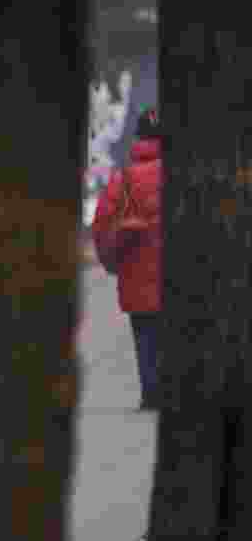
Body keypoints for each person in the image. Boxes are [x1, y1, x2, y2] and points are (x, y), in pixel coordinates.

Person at [91, 106, 163, 411]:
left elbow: (103, 226)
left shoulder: (123, 181)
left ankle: (151, 392)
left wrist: (111, 262)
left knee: (145, 335)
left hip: (136, 280)